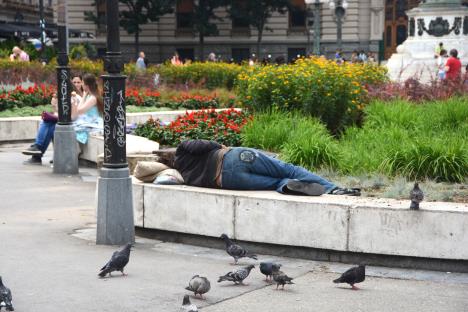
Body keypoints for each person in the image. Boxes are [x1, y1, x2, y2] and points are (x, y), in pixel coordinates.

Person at [161, 139, 360, 196]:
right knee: (288, 169)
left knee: (275, 183)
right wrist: (221, 146)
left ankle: (287, 187)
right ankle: (333, 188)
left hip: (230, 181)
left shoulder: (185, 175)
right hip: (234, 158)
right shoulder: (183, 148)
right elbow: (202, 145)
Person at [22, 74, 102, 164]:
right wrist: (55, 105)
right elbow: (73, 113)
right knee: (49, 123)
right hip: (80, 120)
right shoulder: (85, 96)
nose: (80, 85)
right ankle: (37, 150)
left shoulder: (92, 98)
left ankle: (38, 151)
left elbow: (78, 112)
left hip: (88, 122)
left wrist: (74, 102)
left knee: (51, 125)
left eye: (81, 83)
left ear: (87, 85)